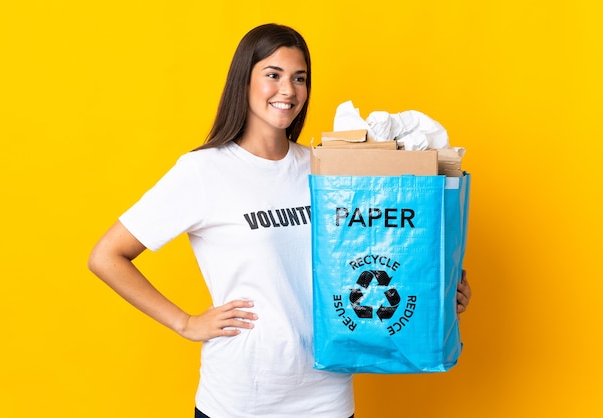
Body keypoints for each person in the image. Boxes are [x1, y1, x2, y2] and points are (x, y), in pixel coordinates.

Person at [88, 23, 472, 418]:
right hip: (242, 397)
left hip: (327, 395)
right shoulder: (205, 171)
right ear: (245, 81)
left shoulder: (325, 169)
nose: (288, 90)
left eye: (299, 78)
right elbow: (107, 256)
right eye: (273, 75)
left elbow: (369, 258)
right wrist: (185, 322)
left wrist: (433, 295)